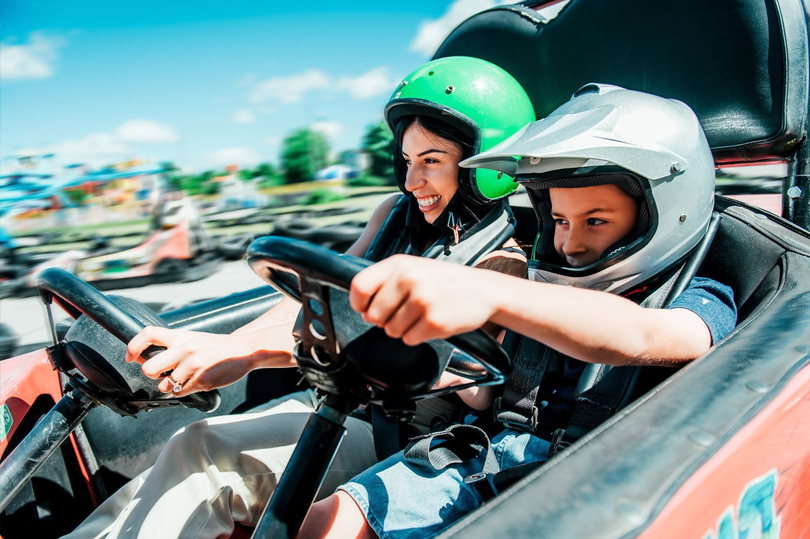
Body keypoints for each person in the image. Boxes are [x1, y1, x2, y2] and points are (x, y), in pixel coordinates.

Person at [63, 56, 535, 539]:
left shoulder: (501, 263)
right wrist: (221, 344)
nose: (413, 181)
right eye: (408, 161)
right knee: (193, 442)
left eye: (431, 161)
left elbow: (463, 385)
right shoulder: (395, 215)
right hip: (338, 402)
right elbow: (311, 294)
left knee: (206, 458)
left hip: (400, 437)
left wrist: (249, 353)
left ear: (488, 166)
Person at [296, 84, 738, 539]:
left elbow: (644, 334)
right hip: (478, 454)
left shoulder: (701, 297)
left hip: (590, 488)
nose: (570, 243)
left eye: (596, 221)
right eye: (561, 221)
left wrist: (488, 291)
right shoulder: (543, 280)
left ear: (664, 211)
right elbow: (489, 390)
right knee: (315, 526)